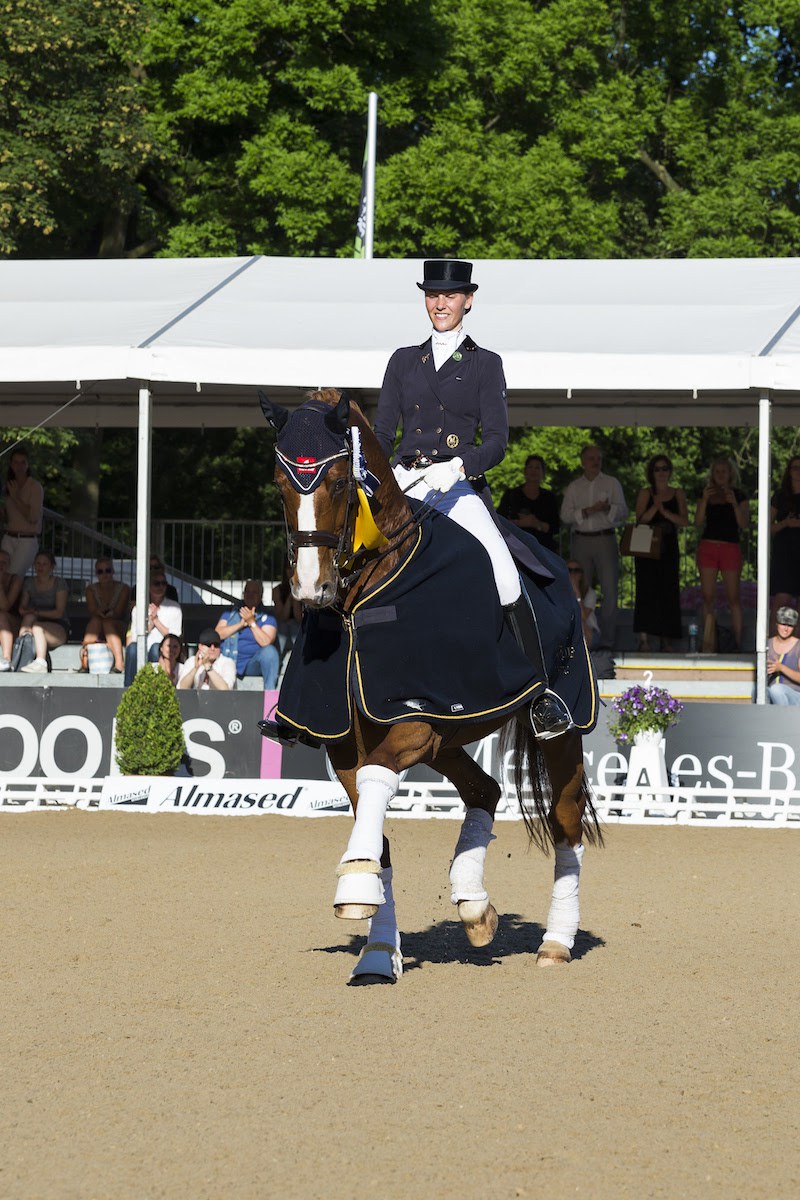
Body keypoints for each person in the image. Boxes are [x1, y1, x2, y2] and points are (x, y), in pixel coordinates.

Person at [373, 258, 570, 738]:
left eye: (450, 295)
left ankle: (537, 695)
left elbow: (498, 441)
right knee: (347, 560)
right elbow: (381, 431)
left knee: (504, 575)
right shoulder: (403, 359)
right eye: (433, 295)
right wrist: (378, 477)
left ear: (468, 300)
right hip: (404, 479)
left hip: (456, 484)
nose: (440, 303)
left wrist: (458, 466)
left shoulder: (485, 363)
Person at [560, 445, 628, 650]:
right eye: (590, 458)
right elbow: (564, 516)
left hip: (605, 539)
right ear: (582, 461)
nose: (595, 462)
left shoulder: (611, 483)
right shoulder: (574, 487)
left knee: (610, 590)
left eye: (598, 458)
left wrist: (608, 508)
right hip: (581, 540)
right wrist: (590, 510)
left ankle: (607, 641)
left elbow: (624, 511)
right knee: (578, 589)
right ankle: (580, 640)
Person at [632, 455, 688, 652]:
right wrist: (655, 506)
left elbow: (684, 521)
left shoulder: (677, 493)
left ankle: (667, 639)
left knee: (668, 591)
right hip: (647, 547)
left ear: (670, 471)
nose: (661, 472)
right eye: (657, 469)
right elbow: (640, 519)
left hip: (669, 547)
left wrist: (664, 511)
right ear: (651, 472)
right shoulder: (645, 493)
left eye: (665, 468)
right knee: (646, 591)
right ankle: (644, 639)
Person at [695, 455, 749, 651]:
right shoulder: (706, 494)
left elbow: (744, 524)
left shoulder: (740, 495)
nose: (720, 475)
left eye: (723, 472)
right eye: (717, 472)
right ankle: (708, 642)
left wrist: (733, 503)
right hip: (709, 546)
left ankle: (737, 643)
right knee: (708, 597)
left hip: (730, 547)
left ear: (730, 474)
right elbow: (698, 522)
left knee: (733, 597)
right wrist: (704, 500)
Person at [215, 579, 280, 688]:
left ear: (261, 596)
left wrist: (251, 623)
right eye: (247, 591)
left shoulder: (268, 616)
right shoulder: (231, 612)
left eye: (254, 592)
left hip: (252, 664)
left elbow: (266, 642)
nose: (250, 595)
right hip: (228, 660)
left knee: (270, 652)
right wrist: (240, 625)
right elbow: (217, 634)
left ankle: (270, 700)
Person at [124, 571, 183, 685]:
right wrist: (150, 623)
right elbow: (136, 636)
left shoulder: (174, 607)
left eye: (163, 583)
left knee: (156, 648)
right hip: (143, 647)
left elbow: (175, 636)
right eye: (157, 583)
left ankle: (156, 687)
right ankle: (129, 688)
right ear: (149, 586)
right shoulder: (138, 608)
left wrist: (156, 620)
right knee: (132, 648)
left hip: (162, 648)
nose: (161, 587)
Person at [15, 550, 69, 673]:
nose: (41, 567)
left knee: (37, 627)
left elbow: (59, 613)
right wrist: (32, 613)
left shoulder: (59, 583)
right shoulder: (29, 583)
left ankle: (40, 662)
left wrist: (37, 612)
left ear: (52, 566)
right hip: (33, 622)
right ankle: (22, 650)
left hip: (58, 627)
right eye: (38, 563)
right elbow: (22, 609)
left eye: (45, 564)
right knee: (29, 619)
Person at [496, 454, 561, 553]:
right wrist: (520, 523)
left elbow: (555, 527)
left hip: (543, 550)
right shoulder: (512, 495)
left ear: (543, 473)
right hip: (516, 548)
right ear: (525, 471)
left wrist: (537, 524)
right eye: (530, 467)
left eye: (537, 468)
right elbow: (500, 521)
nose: (533, 471)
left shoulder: (549, 498)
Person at [76, 557, 130, 674]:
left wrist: (108, 613)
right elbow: (92, 610)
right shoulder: (91, 589)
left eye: (108, 570)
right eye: (100, 571)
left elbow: (119, 612)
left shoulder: (123, 588)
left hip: (119, 627)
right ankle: (85, 660)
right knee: (96, 620)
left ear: (113, 572)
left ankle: (119, 663)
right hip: (99, 625)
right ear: (96, 574)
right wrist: (100, 612)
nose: (104, 574)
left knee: (106, 622)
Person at [1, 447, 44, 580]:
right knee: (2, 576)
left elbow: (33, 517)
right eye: (15, 462)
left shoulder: (35, 487)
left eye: (23, 462)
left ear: (28, 464)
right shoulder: (7, 485)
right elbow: (6, 517)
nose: (19, 466)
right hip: (8, 536)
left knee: (13, 577)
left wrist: (15, 497)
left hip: (27, 539)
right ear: (10, 464)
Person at [770, 455, 800, 630]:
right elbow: (767, 527)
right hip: (784, 553)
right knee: (782, 599)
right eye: (794, 467)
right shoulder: (780, 497)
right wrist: (785, 523)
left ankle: (797, 650)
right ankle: (772, 644)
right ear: (788, 472)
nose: (798, 471)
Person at [767, 606, 800, 705]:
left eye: (790, 625)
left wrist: (781, 668)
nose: (786, 629)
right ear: (777, 624)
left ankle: (782, 719)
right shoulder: (767, 644)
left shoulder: (798, 646)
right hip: (772, 692)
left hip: (794, 694)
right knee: (756, 690)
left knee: (777, 689)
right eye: (783, 624)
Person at [566, 559, 600, 650]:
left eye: (576, 571)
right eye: (569, 570)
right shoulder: (558, 591)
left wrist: (577, 593)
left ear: (581, 575)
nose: (573, 574)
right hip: (566, 629)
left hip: (588, 631)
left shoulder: (590, 593)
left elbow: (583, 616)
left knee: (580, 623)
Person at [0, 546, 23, 670]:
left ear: (9, 564)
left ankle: (6, 659)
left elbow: (5, 607)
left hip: (13, 624)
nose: (1, 565)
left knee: (1, 616)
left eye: (4, 562)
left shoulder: (15, 580)